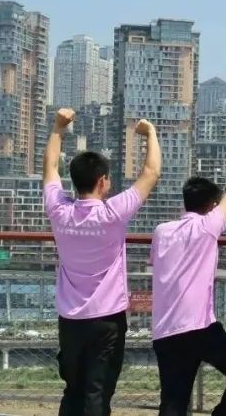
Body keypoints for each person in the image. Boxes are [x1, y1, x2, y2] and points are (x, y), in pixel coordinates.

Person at [43, 109, 161, 416]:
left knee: (73, 389)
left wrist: (58, 127)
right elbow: (151, 173)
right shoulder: (112, 213)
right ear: (102, 181)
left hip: (70, 319)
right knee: (97, 392)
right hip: (107, 319)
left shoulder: (59, 211)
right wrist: (150, 133)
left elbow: (50, 167)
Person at [149, 138, 226, 416]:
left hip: (165, 330)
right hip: (199, 328)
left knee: (173, 402)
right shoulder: (208, 227)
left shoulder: (161, 232)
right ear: (212, 205)